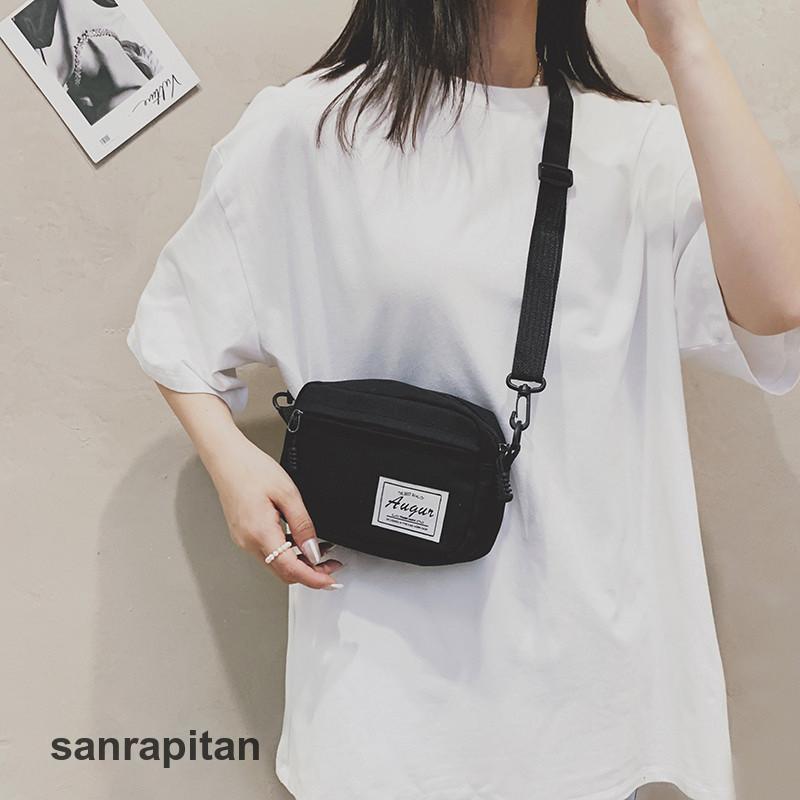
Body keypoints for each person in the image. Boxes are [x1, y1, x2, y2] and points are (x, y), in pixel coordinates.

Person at [125, 1, 800, 798]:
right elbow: (177, 325)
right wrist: (231, 466)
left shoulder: (635, 146)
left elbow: (778, 299)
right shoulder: (312, 129)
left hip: (586, 702)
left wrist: (681, 34)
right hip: (387, 698)